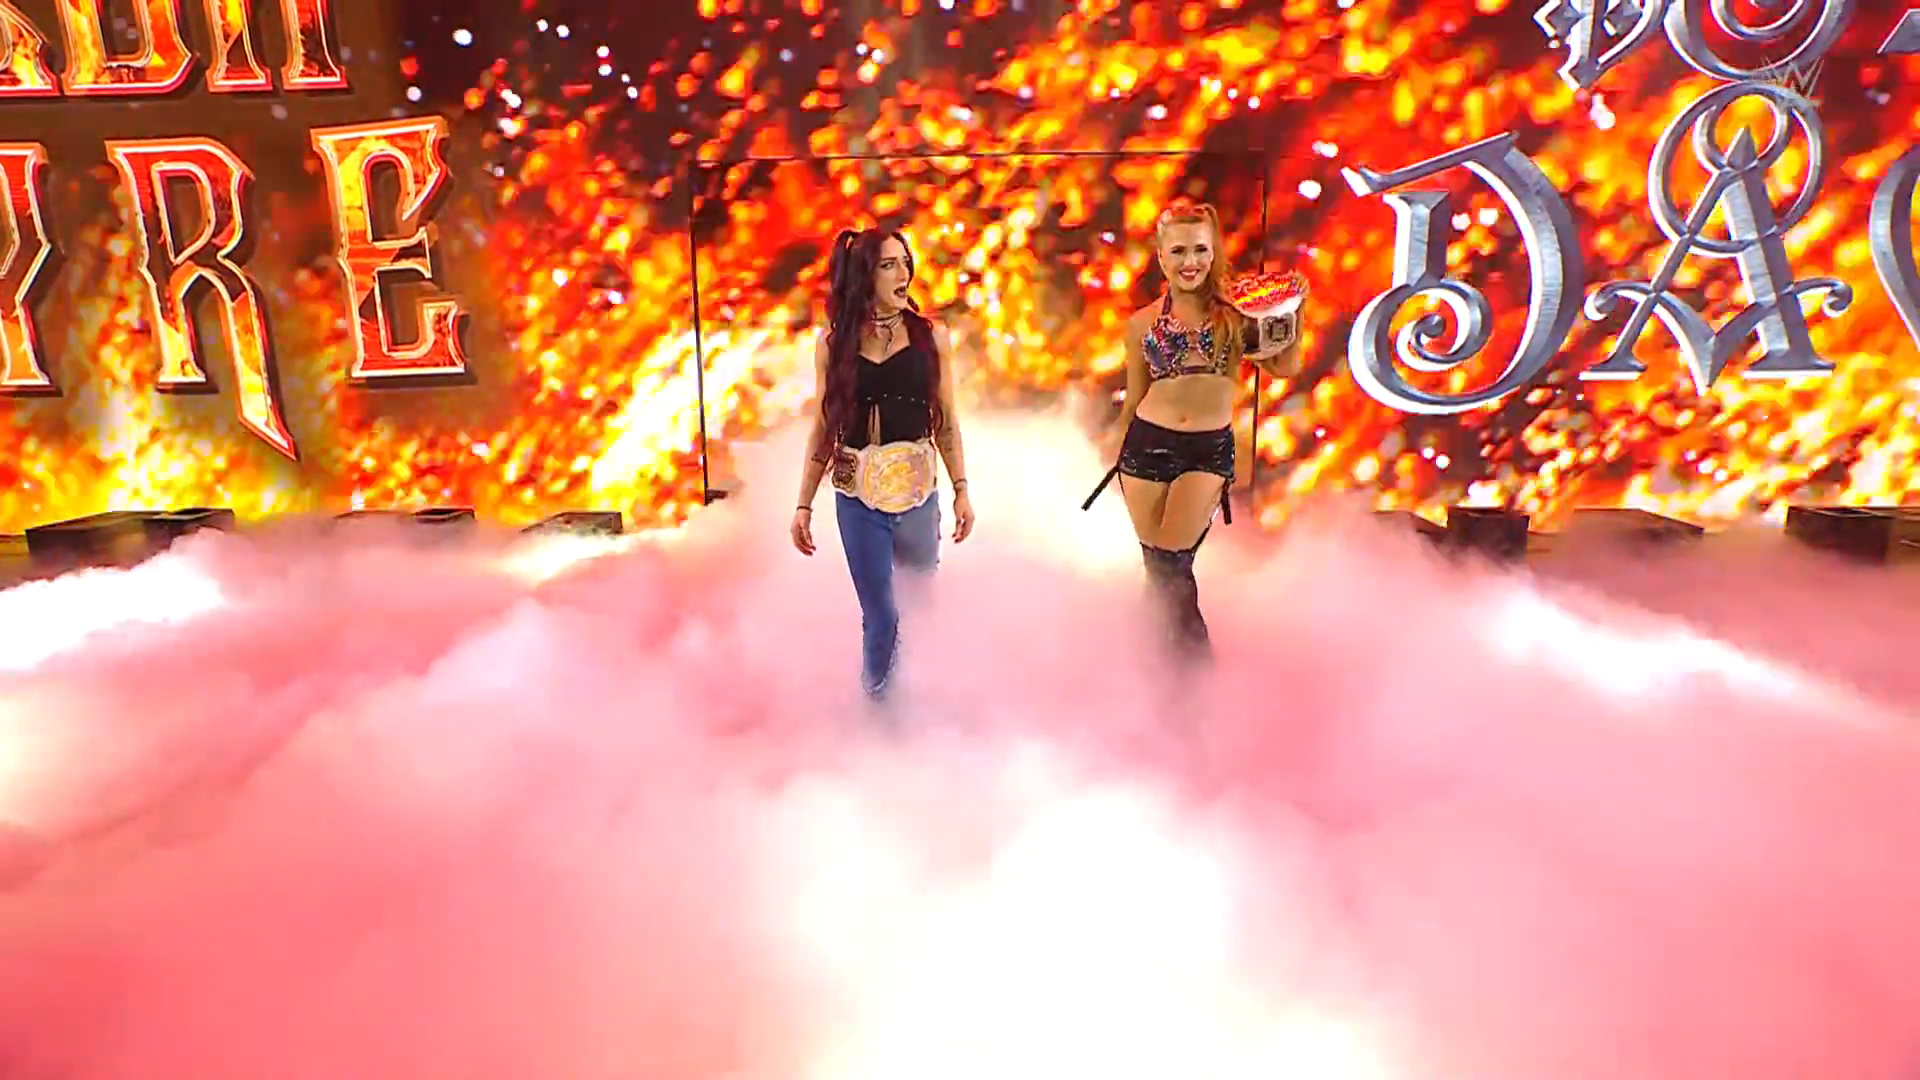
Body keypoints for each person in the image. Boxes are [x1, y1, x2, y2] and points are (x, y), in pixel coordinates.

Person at [1086, 200, 1299, 663]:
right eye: (1179, 251)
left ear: (1213, 251)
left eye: (1200, 249)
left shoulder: (1235, 316)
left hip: (1206, 451)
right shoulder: (1141, 323)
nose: (1190, 261)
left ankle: (1196, 675)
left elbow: (1283, 366)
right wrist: (1116, 453)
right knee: (1158, 567)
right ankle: (1153, 666)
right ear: (1161, 257)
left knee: (1172, 562)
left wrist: (1287, 314)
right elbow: (1135, 396)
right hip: (1146, 447)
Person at [791, 228, 975, 702]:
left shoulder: (931, 337)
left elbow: (947, 419)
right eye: (888, 264)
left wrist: (961, 489)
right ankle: (877, 708)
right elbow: (823, 427)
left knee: (919, 610)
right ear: (864, 275)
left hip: (917, 494)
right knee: (880, 614)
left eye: (905, 262)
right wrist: (803, 504)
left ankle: (925, 703)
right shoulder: (834, 344)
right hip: (857, 498)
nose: (903, 273)